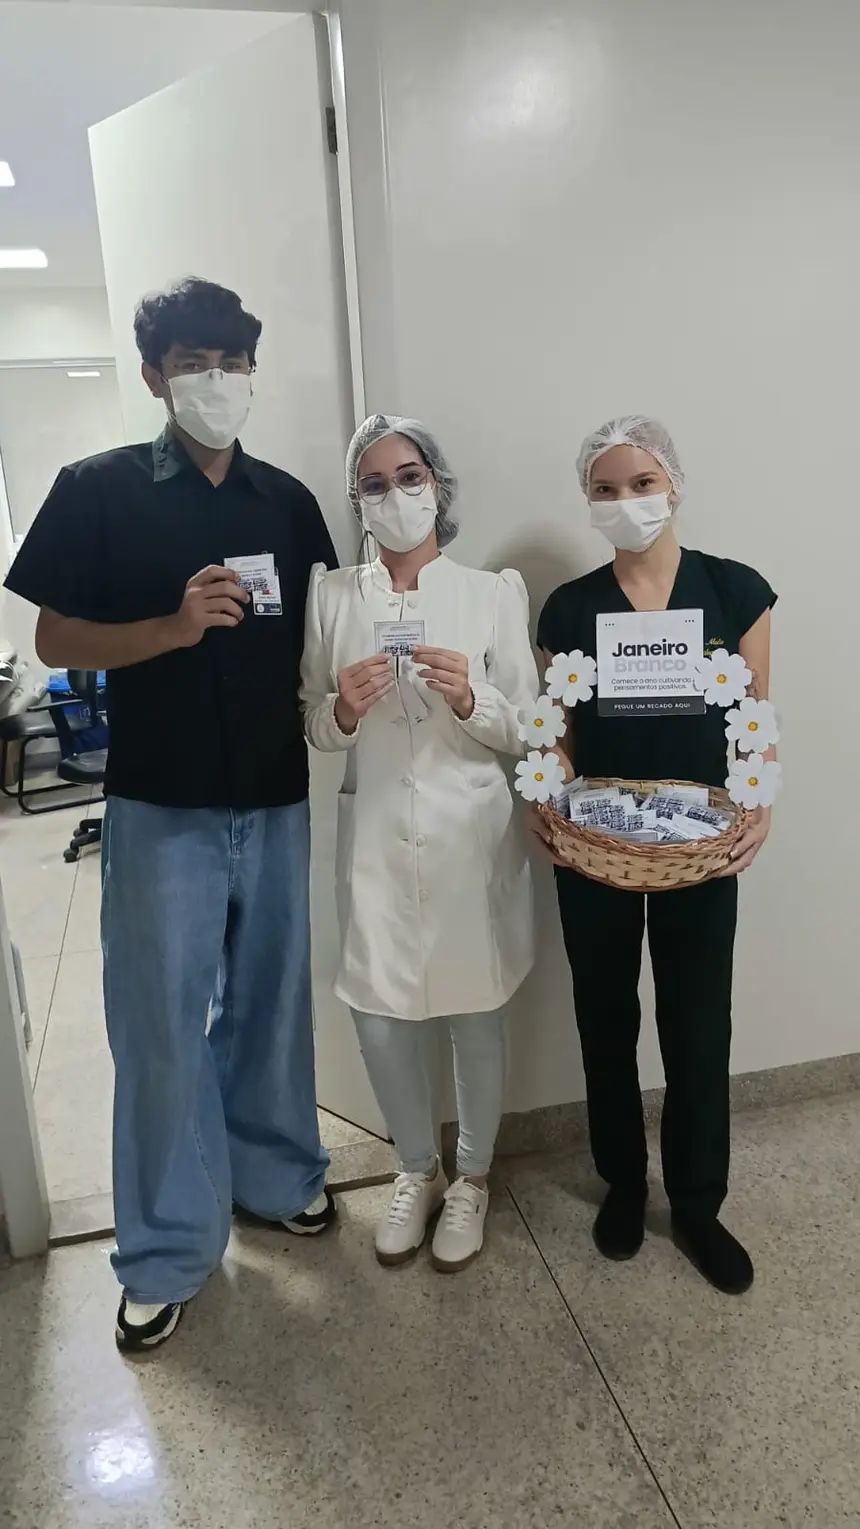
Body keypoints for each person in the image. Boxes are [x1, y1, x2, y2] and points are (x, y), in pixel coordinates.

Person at [5, 278, 338, 1351]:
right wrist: (171, 627)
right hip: (161, 802)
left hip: (274, 792)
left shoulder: (287, 503)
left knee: (272, 1004)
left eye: (233, 361)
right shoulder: (98, 489)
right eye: (194, 362)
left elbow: (322, 633)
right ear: (154, 377)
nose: (217, 380)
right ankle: (164, 1247)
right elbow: (55, 639)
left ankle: (277, 1176)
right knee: (159, 1028)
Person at [535, 416, 777, 1295]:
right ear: (588, 500)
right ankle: (625, 1185)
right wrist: (543, 792)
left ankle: (699, 1204)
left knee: (698, 1020)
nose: (626, 500)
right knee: (604, 1015)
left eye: (641, 483)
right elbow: (557, 735)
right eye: (605, 488)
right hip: (597, 848)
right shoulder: (569, 608)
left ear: (673, 483)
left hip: (700, 848)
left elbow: (756, 717)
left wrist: (759, 803)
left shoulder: (735, 591)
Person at [300, 414, 538, 1272]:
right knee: (380, 1016)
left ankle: (471, 1176)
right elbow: (313, 724)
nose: (394, 494)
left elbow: (528, 727)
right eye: (373, 482)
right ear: (356, 501)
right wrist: (342, 709)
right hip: (373, 838)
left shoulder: (490, 593)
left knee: (475, 1010)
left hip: (467, 833)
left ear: (437, 485)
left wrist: (473, 700)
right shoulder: (332, 597)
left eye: (409, 476)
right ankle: (415, 1168)